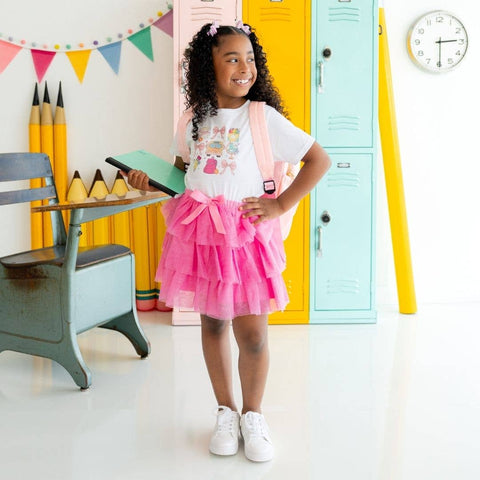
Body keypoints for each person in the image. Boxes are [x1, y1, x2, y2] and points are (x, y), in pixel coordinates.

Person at [125, 21, 331, 463]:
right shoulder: (191, 119)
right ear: (208, 67)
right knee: (214, 324)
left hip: (246, 237)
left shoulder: (262, 117)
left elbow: (318, 160)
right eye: (232, 59)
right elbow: (182, 175)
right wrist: (146, 181)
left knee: (252, 334)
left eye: (249, 59)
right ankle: (226, 410)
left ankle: (253, 415)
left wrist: (279, 205)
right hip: (203, 235)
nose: (244, 68)